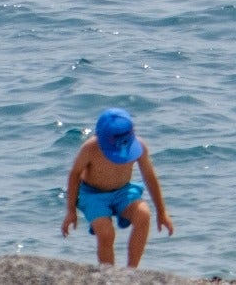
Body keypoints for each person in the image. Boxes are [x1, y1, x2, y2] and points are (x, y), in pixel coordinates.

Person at [61, 107, 173, 267]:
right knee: (106, 233)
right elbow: (74, 175)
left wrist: (162, 212)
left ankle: (131, 273)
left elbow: (149, 176)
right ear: (98, 136)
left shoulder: (139, 146)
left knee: (143, 214)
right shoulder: (90, 148)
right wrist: (71, 211)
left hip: (123, 191)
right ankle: (109, 276)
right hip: (93, 194)